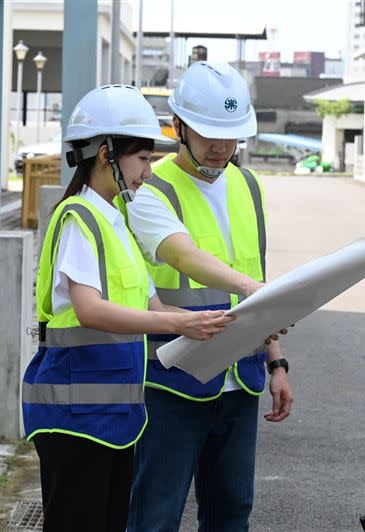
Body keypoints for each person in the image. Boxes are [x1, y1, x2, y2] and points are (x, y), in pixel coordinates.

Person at [21, 84, 235, 532]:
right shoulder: (80, 218)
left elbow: (150, 303)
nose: (148, 172)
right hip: (74, 419)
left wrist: (222, 326)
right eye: (141, 159)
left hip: (111, 418)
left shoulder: (116, 218)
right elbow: (89, 310)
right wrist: (177, 320)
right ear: (106, 154)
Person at [125, 61, 293, 532]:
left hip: (240, 380)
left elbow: (256, 274)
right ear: (177, 126)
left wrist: (276, 362)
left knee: (231, 511)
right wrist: (249, 288)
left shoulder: (247, 185)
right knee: (155, 514)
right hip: (171, 380)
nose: (221, 147)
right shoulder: (149, 189)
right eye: (208, 133)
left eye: (232, 135)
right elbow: (181, 254)